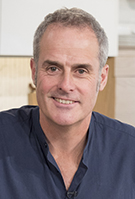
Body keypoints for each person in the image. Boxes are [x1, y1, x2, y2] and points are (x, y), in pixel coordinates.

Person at [0, 7, 135, 199]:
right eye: (53, 68)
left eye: (81, 71)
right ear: (34, 71)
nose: (66, 85)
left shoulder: (130, 151)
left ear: (102, 78)